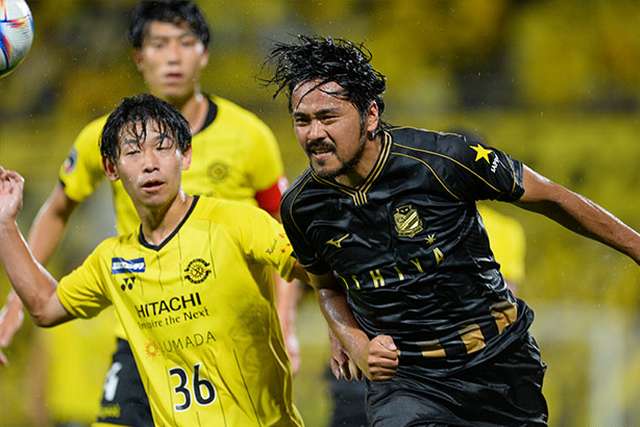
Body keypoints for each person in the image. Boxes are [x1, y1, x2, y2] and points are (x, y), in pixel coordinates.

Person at [265, 35, 640, 426]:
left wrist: (635, 246)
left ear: (370, 115)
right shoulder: (301, 206)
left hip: (498, 363)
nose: (313, 133)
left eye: (327, 118)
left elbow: (552, 197)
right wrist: (355, 342)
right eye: (302, 120)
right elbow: (326, 286)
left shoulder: (443, 160)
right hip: (408, 381)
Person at [0, 2, 298, 426]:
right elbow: (57, 213)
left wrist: (286, 321)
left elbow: (290, 240)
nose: (173, 57)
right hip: (143, 328)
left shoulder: (250, 138)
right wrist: (15, 301)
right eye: (159, 45)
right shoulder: (103, 141)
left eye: (185, 43)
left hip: (227, 325)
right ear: (139, 57)